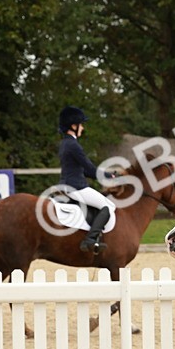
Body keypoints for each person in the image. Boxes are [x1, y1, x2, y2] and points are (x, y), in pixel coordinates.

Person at [57, 106, 116, 253]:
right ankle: (90, 240)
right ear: (73, 126)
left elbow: (82, 170)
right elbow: (90, 169)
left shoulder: (65, 143)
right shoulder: (73, 145)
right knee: (107, 206)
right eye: (81, 125)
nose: (83, 128)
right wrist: (110, 176)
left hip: (67, 184)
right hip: (76, 186)